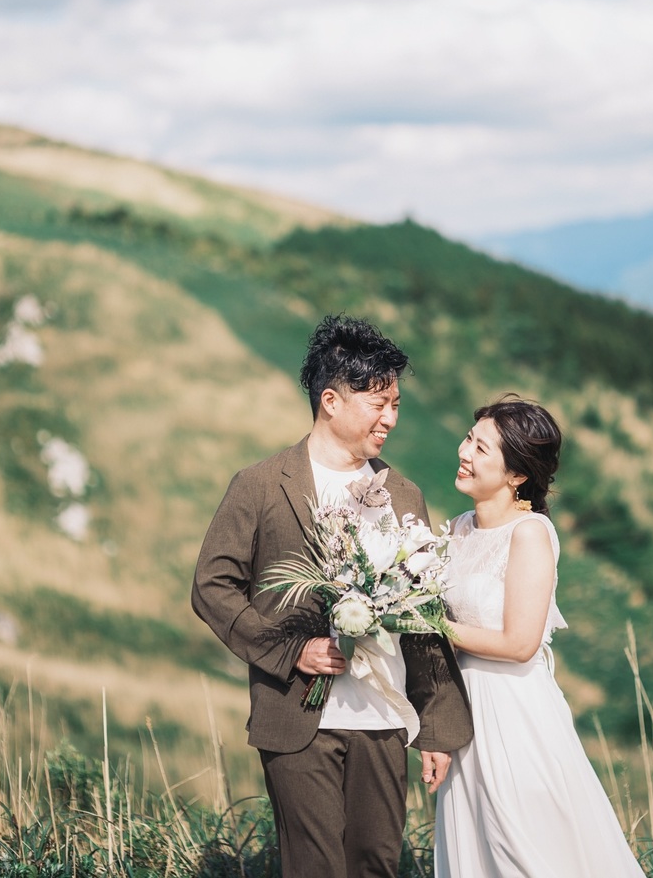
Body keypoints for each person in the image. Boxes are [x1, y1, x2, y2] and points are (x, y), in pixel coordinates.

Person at [192, 313, 472, 878]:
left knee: (375, 864)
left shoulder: (403, 492)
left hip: (386, 718)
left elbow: (423, 614)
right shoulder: (261, 484)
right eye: (378, 403)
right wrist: (290, 651)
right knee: (313, 867)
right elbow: (212, 585)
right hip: (299, 714)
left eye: (395, 404)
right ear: (331, 400)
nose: (390, 417)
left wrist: (436, 728)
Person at [434, 394, 646, 878]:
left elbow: (520, 642)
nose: (464, 452)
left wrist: (431, 624)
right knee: (477, 848)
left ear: (517, 475)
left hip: (513, 714)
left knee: (525, 849)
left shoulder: (530, 534)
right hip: (462, 711)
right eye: (470, 438)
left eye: (482, 449)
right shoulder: (454, 531)